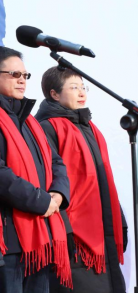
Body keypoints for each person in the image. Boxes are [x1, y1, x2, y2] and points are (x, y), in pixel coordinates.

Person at [35, 67, 127, 293]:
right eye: (73, 87)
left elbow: (104, 181)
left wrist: (120, 221)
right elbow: (48, 180)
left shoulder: (89, 127)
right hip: (73, 233)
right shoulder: (45, 128)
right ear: (54, 94)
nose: (81, 92)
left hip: (102, 229)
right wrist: (64, 228)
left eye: (83, 87)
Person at [0, 47, 71, 292]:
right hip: (7, 242)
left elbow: (56, 162)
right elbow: (2, 176)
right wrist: (41, 201)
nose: (21, 80)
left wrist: (58, 196)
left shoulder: (29, 120)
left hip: (40, 238)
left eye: (25, 75)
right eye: (13, 74)